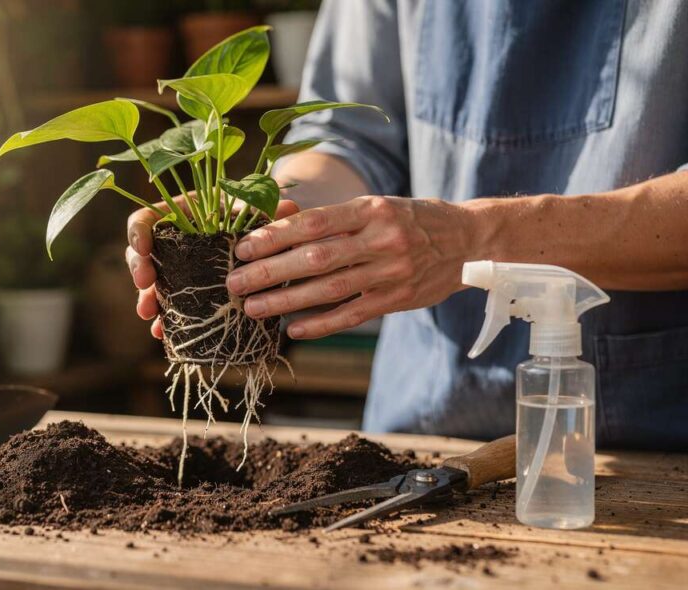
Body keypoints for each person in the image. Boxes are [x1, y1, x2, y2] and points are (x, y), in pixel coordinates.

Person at [126, 1, 688, 449]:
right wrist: (270, 218)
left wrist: (471, 239)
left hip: (646, 437)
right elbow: (347, 141)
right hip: (420, 426)